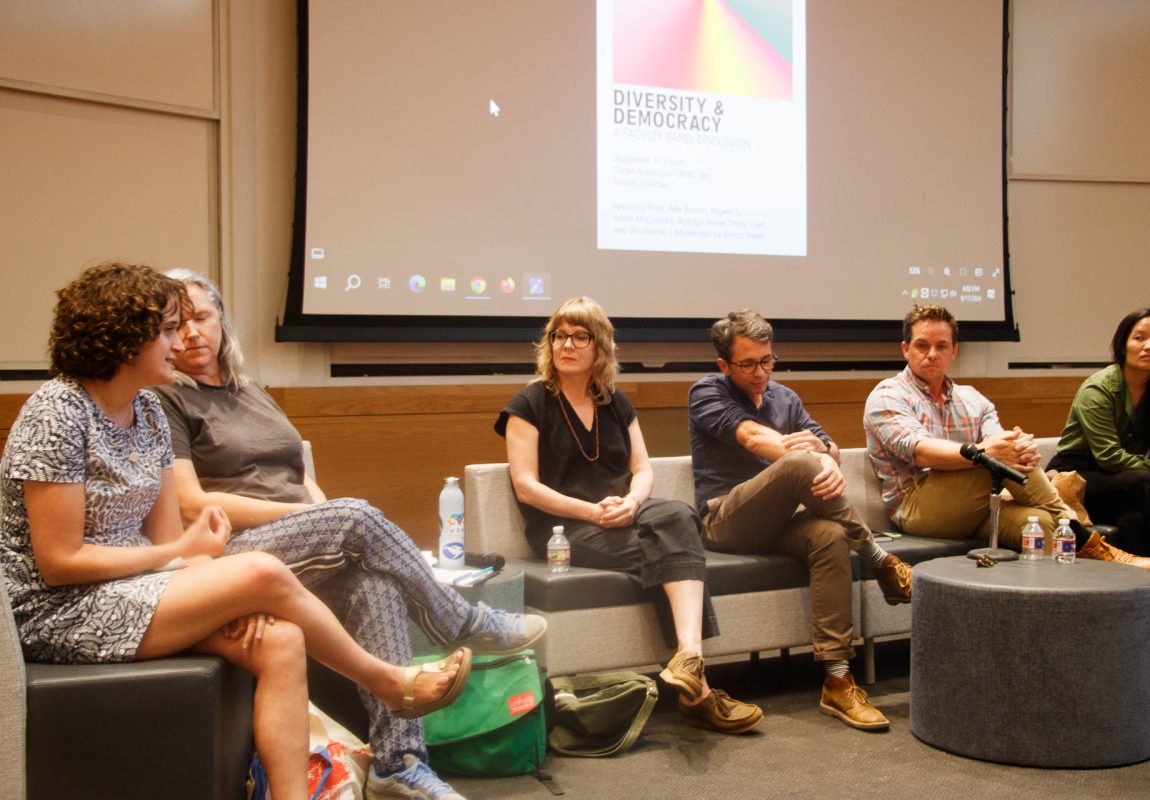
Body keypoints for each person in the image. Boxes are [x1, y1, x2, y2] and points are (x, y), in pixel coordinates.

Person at [0, 263, 471, 800]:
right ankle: (387, 682)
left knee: (280, 639)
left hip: (131, 591)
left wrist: (219, 593)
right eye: (167, 329)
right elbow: (60, 561)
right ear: (126, 339)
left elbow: (162, 543)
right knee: (259, 569)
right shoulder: (56, 412)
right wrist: (189, 555)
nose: (179, 342)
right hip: (60, 611)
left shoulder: (147, 412)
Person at [154, 269, 547, 800]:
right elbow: (191, 503)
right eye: (177, 325)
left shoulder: (252, 392)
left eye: (202, 317)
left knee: (374, 584)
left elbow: (298, 475)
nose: (192, 334)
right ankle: (459, 619)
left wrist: (322, 517)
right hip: (231, 551)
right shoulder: (166, 400)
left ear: (222, 319)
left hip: (298, 543)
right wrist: (318, 521)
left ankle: (397, 763)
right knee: (356, 515)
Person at [497, 297, 762, 734]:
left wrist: (633, 503)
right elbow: (526, 486)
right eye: (558, 336)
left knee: (677, 515)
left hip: (625, 514)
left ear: (599, 346)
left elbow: (642, 470)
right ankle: (699, 691)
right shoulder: (528, 403)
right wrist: (593, 512)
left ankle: (689, 657)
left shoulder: (615, 402)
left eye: (579, 336)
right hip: (566, 529)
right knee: (672, 553)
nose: (567, 345)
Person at [687, 309, 910, 732]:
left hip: (782, 523)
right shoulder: (706, 392)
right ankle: (881, 559)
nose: (760, 372)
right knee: (797, 465)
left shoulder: (784, 397)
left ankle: (838, 680)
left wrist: (823, 452)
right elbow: (753, 437)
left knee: (828, 534)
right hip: (725, 521)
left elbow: (830, 448)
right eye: (748, 364)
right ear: (723, 365)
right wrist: (812, 457)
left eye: (767, 360)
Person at [863, 303, 1150, 572]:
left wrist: (1021, 450)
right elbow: (922, 451)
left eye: (941, 346)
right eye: (922, 345)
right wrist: (990, 451)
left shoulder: (972, 399)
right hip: (917, 508)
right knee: (993, 459)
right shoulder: (889, 394)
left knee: (1041, 523)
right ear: (905, 349)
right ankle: (1087, 538)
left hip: (978, 505)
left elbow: (1001, 443)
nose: (932, 354)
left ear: (954, 351)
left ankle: (1051, 610)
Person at [1047, 308, 1150, 580]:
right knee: (1141, 481)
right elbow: (1110, 457)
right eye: (1139, 338)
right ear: (1122, 345)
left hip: (1122, 480)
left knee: (1134, 520)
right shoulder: (1099, 389)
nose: (1149, 346)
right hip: (1079, 475)